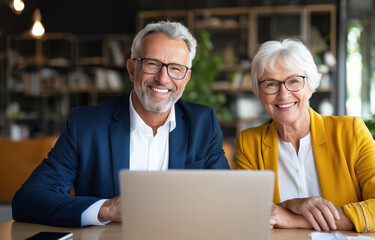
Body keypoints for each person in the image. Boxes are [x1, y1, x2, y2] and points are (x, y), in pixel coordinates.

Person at [12, 21, 230, 227]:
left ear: (186, 78)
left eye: (175, 68)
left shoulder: (203, 123)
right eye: (152, 64)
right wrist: (106, 209)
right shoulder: (86, 126)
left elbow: (225, 198)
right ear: (132, 69)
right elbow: (28, 200)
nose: (163, 79)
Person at [235, 39, 375, 232]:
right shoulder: (249, 143)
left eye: (293, 81)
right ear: (259, 92)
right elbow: (245, 211)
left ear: (310, 85)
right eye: (271, 84)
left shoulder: (351, 132)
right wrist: (290, 205)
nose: (283, 94)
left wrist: (297, 220)